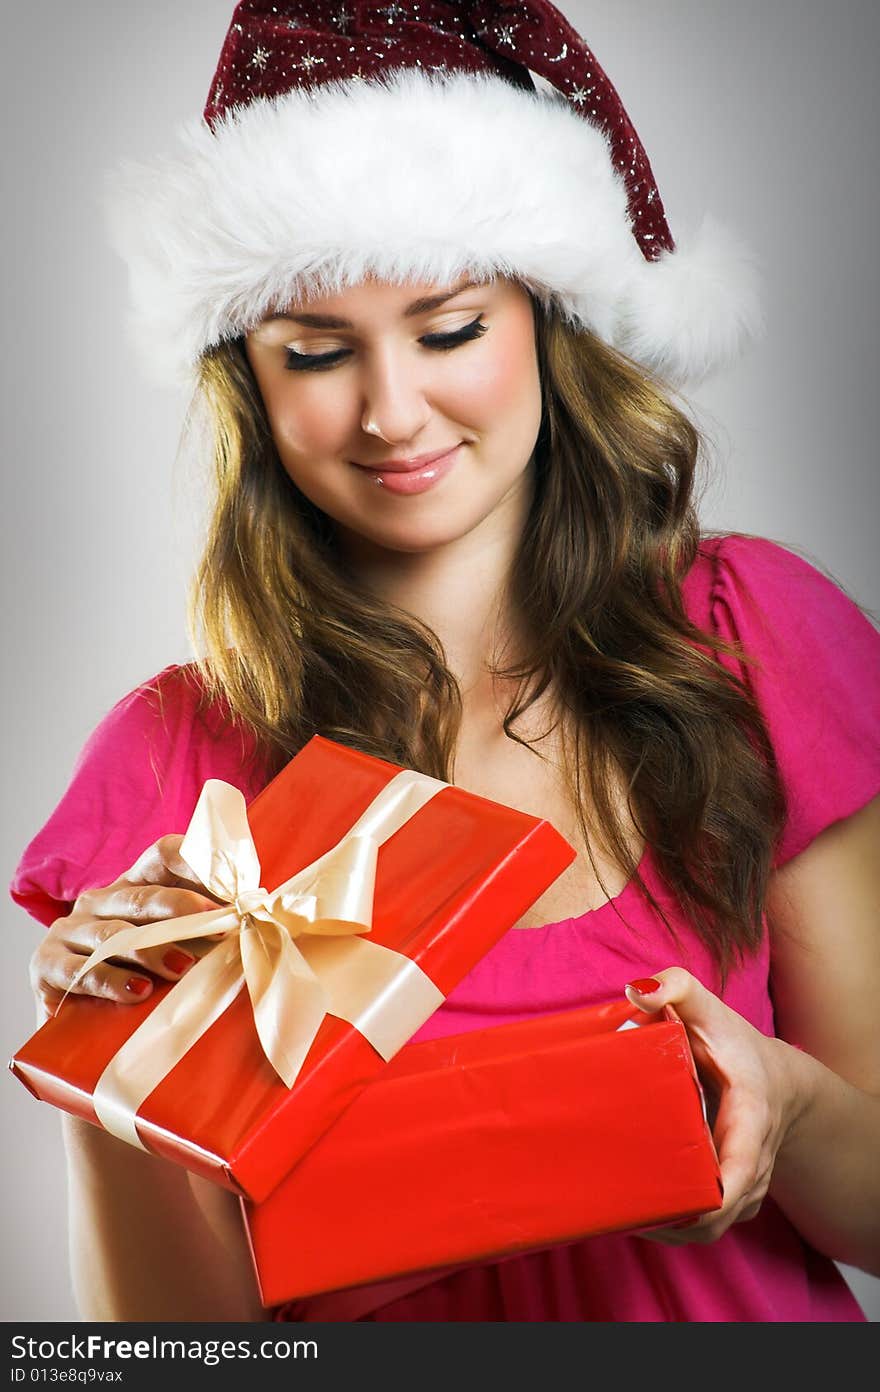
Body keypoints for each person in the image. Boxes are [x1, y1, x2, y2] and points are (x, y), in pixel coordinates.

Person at [10, 0, 880, 1323]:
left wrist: (783, 1100)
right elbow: (179, 1351)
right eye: (315, 351)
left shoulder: (752, 638)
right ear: (248, 377)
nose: (391, 411)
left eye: (450, 328)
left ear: (544, 316)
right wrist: (105, 1088)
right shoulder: (178, 770)